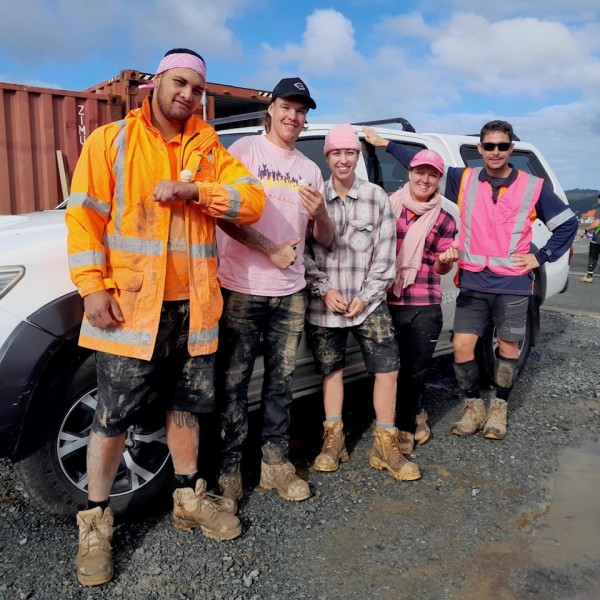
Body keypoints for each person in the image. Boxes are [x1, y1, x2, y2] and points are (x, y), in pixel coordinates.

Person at [65, 48, 265, 587]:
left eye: (196, 88)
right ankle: (96, 521)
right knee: (113, 416)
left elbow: (251, 203)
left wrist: (196, 189)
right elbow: (84, 220)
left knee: (187, 407)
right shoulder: (111, 141)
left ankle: (187, 497)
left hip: (195, 307)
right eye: (179, 83)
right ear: (156, 81)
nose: (187, 95)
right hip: (132, 308)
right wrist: (90, 289)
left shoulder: (208, 146)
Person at [363, 120, 577, 440]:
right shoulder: (466, 179)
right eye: (488, 146)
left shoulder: (532, 186)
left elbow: (567, 223)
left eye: (502, 146)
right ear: (479, 149)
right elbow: (424, 166)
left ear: (510, 149)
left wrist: (540, 257)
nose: (495, 152)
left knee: (507, 347)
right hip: (474, 282)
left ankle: (499, 409)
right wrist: (385, 145)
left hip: (513, 284)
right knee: (462, 348)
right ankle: (473, 406)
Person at [215, 78, 335, 511]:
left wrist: (322, 213)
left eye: (302, 111)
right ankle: (228, 471)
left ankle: (275, 463)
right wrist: (268, 249)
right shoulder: (244, 152)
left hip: (291, 293)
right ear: (271, 109)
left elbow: (323, 237)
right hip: (242, 288)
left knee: (281, 383)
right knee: (233, 383)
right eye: (287, 107)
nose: (294, 117)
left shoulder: (309, 169)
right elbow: (222, 214)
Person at [304, 124, 420, 481]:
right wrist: (324, 288)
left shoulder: (376, 198)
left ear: (357, 156)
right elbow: (302, 253)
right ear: (327, 157)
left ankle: (385, 445)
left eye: (349, 153)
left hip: (368, 304)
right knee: (331, 372)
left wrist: (366, 296)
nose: (343, 159)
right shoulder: (313, 197)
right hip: (326, 304)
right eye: (336, 153)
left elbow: (386, 256)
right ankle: (333, 441)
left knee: (388, 368)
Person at [385, 149, 459, 454]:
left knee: (415, 369)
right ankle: (396, 419)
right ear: (409, 173)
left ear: (439, 179)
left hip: (423, 301)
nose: (424, 179)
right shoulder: (387, 205)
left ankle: (406, 425)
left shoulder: (444, 218)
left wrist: (445, 261)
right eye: (420, 172)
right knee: (387, 369)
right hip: (385, 297)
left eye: (432, 174)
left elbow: (442, 267)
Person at [579, 193, 600, 283]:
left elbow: (596, 224)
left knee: (593, 258)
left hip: (598, 239)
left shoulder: (599, 211)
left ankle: (589, 276)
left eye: (598, 199)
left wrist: (586, 230)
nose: (597, 201)